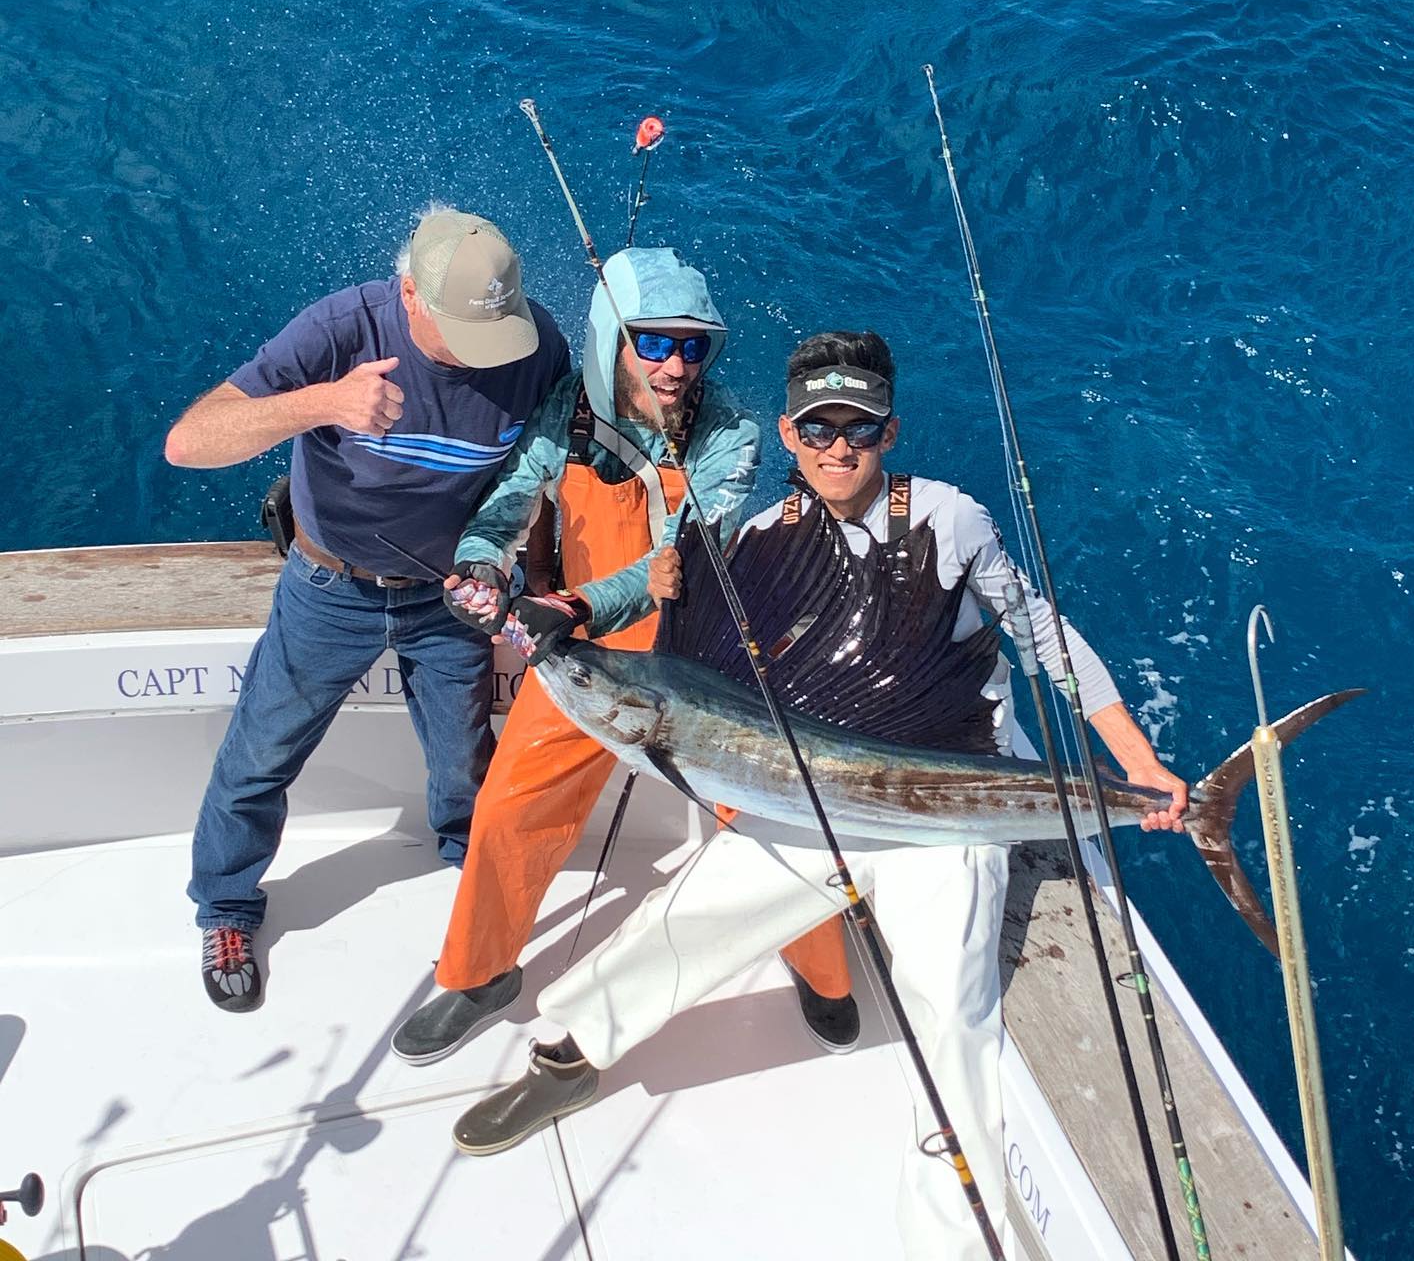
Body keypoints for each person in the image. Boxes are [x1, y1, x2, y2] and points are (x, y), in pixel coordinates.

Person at [446, 330, 1189, 1260]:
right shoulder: (759, 541)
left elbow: (1040, 633)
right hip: (813, 795)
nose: (839, 447)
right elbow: (695, 662)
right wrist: (587, 606)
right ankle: (573, 1054)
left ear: (890, 431)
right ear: (790, 436)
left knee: (952, 1013)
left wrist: (1136, 760)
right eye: (818, 428)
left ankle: (949, 1240)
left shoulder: (950, 517)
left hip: (942, 810)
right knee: (688, 918)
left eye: (860, 428)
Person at [388, 248, 858, 1068]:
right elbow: (507, 505)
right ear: (614, 340)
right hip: (591, 658)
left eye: (692, 346)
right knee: (508, 808)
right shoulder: (565, 413)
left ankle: (817, 965)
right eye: (654, 343)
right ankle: (479, 973)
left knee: (779, 816)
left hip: (706, 659)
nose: (675, 366)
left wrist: (570, 605)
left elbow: (677, 561)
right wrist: (478, 562)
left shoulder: (732, 437)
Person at [165, 208, 569, 1013]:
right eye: (464, 331)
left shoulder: (535, 344)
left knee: (463, 761)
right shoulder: (341, 328)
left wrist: (539, 577)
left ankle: (473, 873)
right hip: (329, 589)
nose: (486, 354)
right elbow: (190, 440)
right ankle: (227, 903)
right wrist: (322, 405)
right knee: (262, 753)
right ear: (410, 293)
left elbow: (542, 469)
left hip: (450, 594)